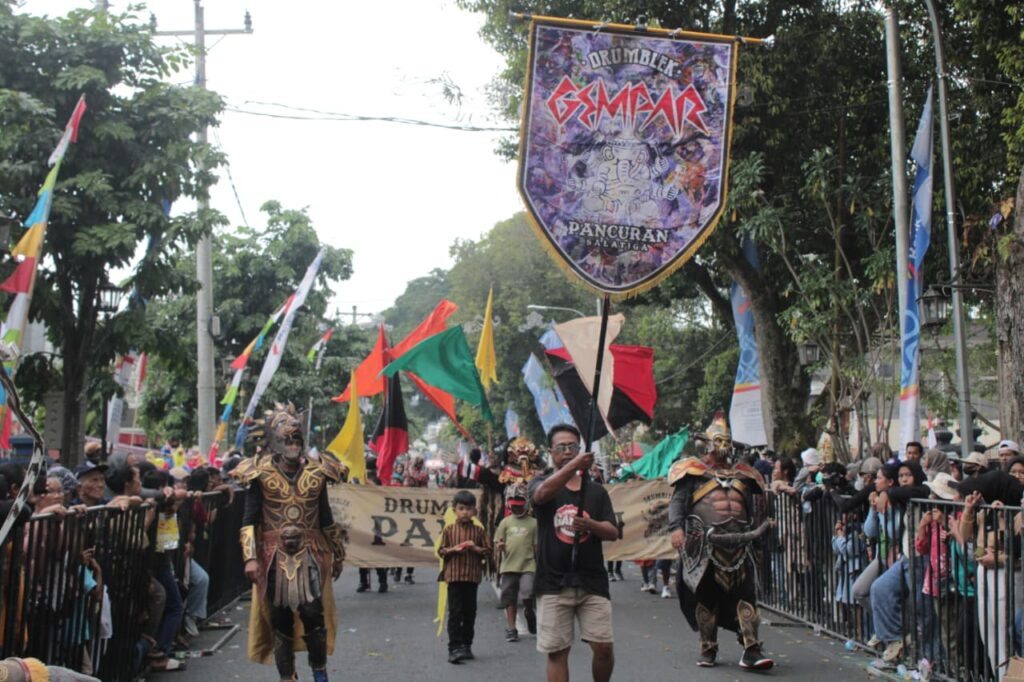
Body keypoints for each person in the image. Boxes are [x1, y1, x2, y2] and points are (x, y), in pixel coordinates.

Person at [234, 403, 346, 682]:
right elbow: (249, 520)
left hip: (311, 552)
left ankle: (319, 671)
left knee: (312, 611)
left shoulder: (318, 473)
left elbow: (325, 517)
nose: (293, 444)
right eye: (287, 439)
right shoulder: (258, 474)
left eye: (297, 439)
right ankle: (287, 676)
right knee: (279, 616)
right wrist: (250, 558)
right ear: (274, 441)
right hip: (272, 554)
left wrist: (338, 552)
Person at [667, 414, 773, 670]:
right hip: (705, 547)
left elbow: (753, 511)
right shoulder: (692, 471)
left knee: (746, 596)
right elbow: (678, 502)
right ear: (708, 443)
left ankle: (751, 649)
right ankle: (708, 647)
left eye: (727, 440)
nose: (724, 446)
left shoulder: (744, 474)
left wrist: (759, 544)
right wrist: (676, 528)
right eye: (719, 440)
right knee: (706, 597)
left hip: (740, 546)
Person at [529, 423, 618, 682]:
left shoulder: (596, 491)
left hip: (592, 581)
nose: (567, 452)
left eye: (573, 447)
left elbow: (612, 531)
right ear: (550, 452)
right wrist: (575, 465)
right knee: (557, 652)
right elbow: (541, 495)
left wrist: (590, 525)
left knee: (603, 647)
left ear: (580, 449)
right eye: (561, 447)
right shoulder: (540, 483)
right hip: (553, 583)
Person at [438, 490, 491, 663]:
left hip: (472, 577)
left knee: (470, 613)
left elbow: (487, 550)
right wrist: (454, 549)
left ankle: (467, 645)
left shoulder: (479, 531)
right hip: (453, 577)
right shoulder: (449, 530)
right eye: (461, 509)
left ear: (474, 511)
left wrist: (475, 548)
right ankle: (454, 648)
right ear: (454, 510)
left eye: (468, 509)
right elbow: (441, 550)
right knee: (455, 613)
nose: (465, 512)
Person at [494, 483, 537, 642]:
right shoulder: (505, 522)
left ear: (526, 504)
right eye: (514, 506)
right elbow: (498, 541)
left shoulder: (533, 523)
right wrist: (500, 546)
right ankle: (512, 628)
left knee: (528, 593)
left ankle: (529, 611)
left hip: (528, 565)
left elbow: (536, 546)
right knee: (509, 598)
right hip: (509, 566)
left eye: (520, 505)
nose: (517, 509)